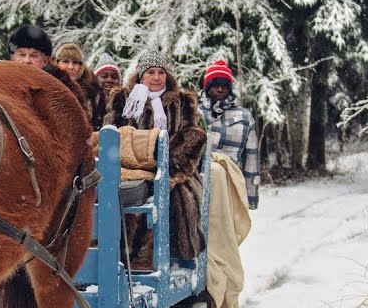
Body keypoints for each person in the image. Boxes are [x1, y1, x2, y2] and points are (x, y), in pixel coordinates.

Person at [103, 47, 207, 261]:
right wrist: (136, 157)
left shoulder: (182, 102)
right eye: (150, 72)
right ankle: (122, 258)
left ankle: (170, 256)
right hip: (131, 168)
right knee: (116, 196)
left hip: (174, 170)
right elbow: (112, 134)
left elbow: (194, 135)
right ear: (141, 75)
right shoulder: (124, 100)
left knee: (179, 198)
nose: (156, 77)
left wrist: (166, 162)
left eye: (161, 72)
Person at [198, 60, 260, 209]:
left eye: (224, 85)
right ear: (207, 87)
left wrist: (250, 198)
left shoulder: (244, 116)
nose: (220, 89)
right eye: (215, 84)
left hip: (231, 184)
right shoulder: (195, 112)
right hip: (198, 185)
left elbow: (251, 158)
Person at [6, 26, 91, 117]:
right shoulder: (0, 85)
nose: (27, 61)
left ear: (45, 60)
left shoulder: (62, 92)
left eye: (34, 56)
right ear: (12, 58)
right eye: (22, 55)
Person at [90, 53, 121, 125]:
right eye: (104, 76)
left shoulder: (125, 103)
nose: (109, 80)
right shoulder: (88, 102)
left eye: (114, 77)